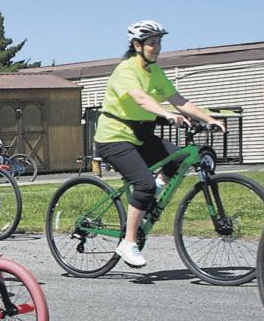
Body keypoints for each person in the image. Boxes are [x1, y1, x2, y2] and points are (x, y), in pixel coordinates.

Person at [93, 20, 225, 268]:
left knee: (179, 160)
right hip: (113, 138)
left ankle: (152, 189)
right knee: (142, 184)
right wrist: (165, 114)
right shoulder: (126, 71)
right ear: (137, 45)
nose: (157, 47)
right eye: (152, 43)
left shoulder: (156, 73)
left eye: (159, 42)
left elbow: (179, 100)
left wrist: (210, 119)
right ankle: (128, 242)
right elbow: (141, 99)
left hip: (142, 136)